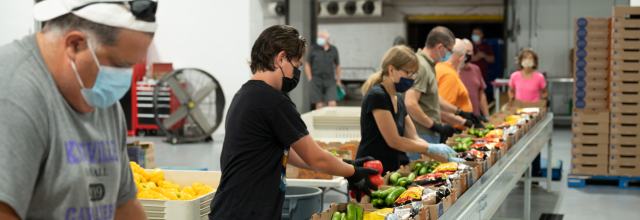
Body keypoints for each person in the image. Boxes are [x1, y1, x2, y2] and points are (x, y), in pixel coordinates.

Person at [0, 1, 157, 219]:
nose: (124, 78)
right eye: (120, 65)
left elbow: (123, 205)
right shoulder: (13, 92)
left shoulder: (100, 96)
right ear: (75, 45)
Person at [209, 25, 378, 220]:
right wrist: (354, 173)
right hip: (246, 211)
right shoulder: (274, 101)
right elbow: (316, 158)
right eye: (297, 65)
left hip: (232, 208)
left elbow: (295, 155)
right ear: (281, 58)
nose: (296, 73)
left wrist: (345, 164)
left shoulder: (245, 94)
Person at [357, 45, 464, 174]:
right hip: (370, 169)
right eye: (409, 72)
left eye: (415, 73)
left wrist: (449, 160)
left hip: (390, 169)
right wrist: (430, 146)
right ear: (391, 70)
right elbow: (394, 141)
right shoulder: (378, 96)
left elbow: (414, 138)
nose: (412, 78)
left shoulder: (398, 99)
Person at [403, 26, 486, 160]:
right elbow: (410, 103)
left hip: (427, 132)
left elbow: (435, 98)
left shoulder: (429, 65)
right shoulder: (422, 66)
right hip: (421, 132)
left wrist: (460, 112)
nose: (449, 54)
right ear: (439, 47)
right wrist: (434, 125)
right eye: (449, 50)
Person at [435, 39, 477, 132]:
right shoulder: (449, 74)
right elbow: (442, 109)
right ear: (461, 58)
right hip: (451, 130)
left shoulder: (439, 67)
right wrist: (465, 121)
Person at [305, 29, 341, 109]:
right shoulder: (313, 48)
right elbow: (307, 63)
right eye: (318, 37)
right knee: (319, 105)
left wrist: (338, 80)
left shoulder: (333, 49)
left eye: (321, 37)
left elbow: (337, 65)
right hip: (316, 80)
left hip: (330, 80)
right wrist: (310, 78)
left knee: (332, 103)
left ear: (327, 39)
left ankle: (331, 120)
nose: (319, 38)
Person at [459, 39, 490, 118]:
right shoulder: (452, 70)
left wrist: (486, 116)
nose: (466, 54)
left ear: (472, 53)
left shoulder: (476, 69)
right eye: (464, 51)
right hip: (459, 120)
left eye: (468, 51)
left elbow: (481, 94)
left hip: (476, 119)